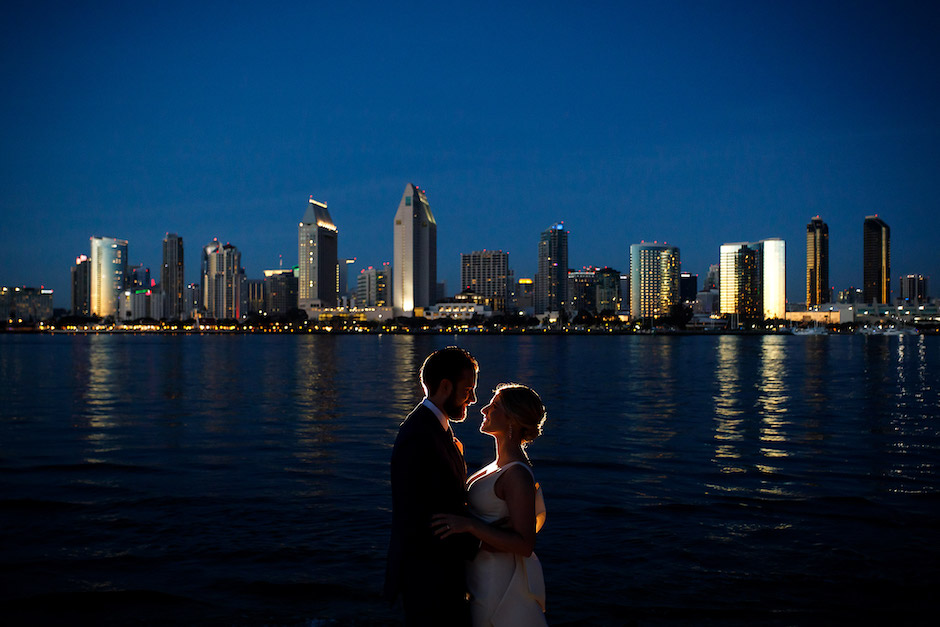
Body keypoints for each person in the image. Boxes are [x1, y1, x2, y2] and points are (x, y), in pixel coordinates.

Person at [432, 383, 548, 627]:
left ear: (512, 420)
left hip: (498, 582)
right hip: (480, 573)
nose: (484, 410)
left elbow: (525, 544)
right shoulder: (496, 466)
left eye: (494, 406)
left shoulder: (517, 474)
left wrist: (471, 526)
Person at [384, 346, 482, 626]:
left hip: (439, 573)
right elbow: (421, 514)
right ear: (445, 386)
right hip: (428, 576)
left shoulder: (436, 429)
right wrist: (490, 539)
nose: (473, 399)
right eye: (468, 390)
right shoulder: (419, 435)